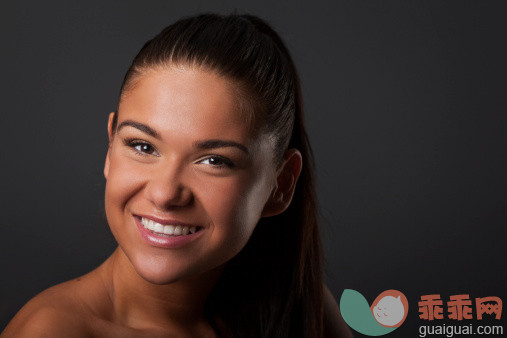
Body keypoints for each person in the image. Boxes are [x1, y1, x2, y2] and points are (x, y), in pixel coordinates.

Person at [1, 13, 352, 338]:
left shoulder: (299, 305)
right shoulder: (52, 331)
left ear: (281, 185)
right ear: (110, 147)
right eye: (143, 147)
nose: (166, 193)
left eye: (214, 160)